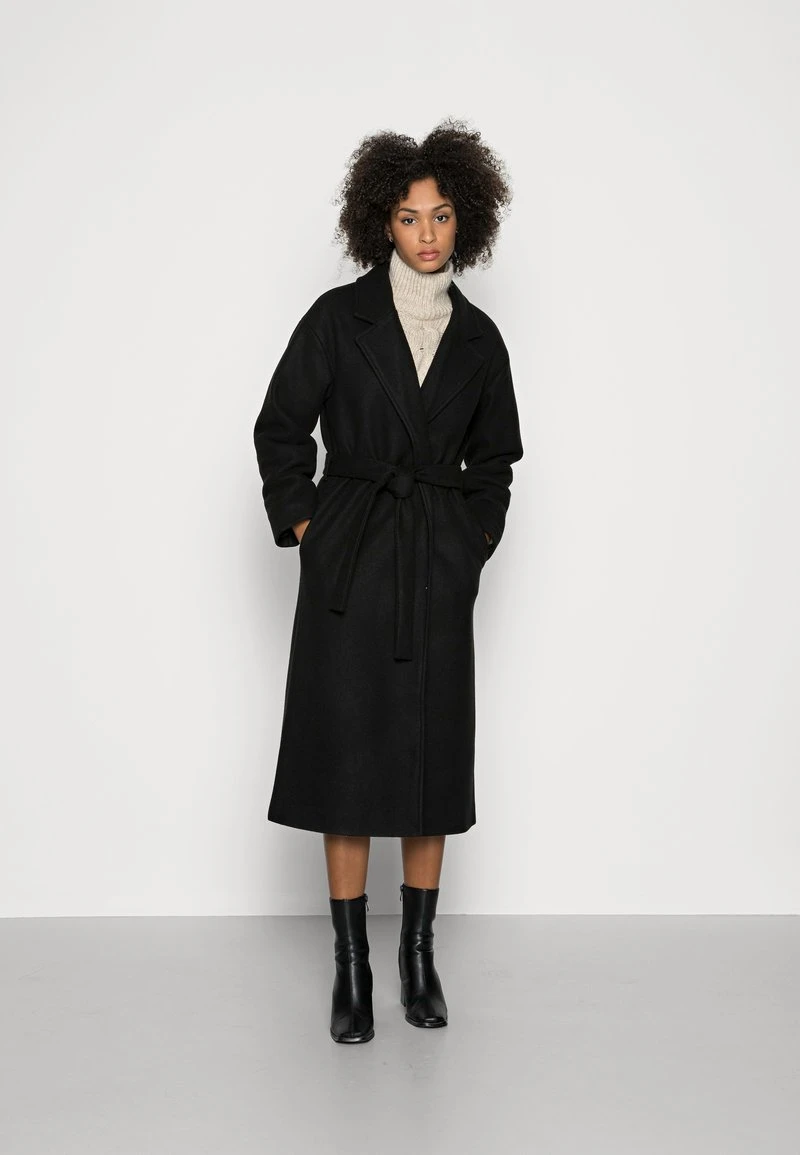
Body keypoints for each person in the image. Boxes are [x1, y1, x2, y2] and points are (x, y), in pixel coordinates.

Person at [253, 118, 524, 1044]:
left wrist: (469, 542)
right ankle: (351, 966)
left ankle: (417, 956)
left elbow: (497, 462)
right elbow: (280, 429)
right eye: (410, 217)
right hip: (351, 565)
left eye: (442, 215)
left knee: (427, 761)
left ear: (465, 219)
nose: (427, 233)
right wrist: (311, 527)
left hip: (433, 570)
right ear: (382, 223)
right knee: (347, 761)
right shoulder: (338, 319)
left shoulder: (480, 338)